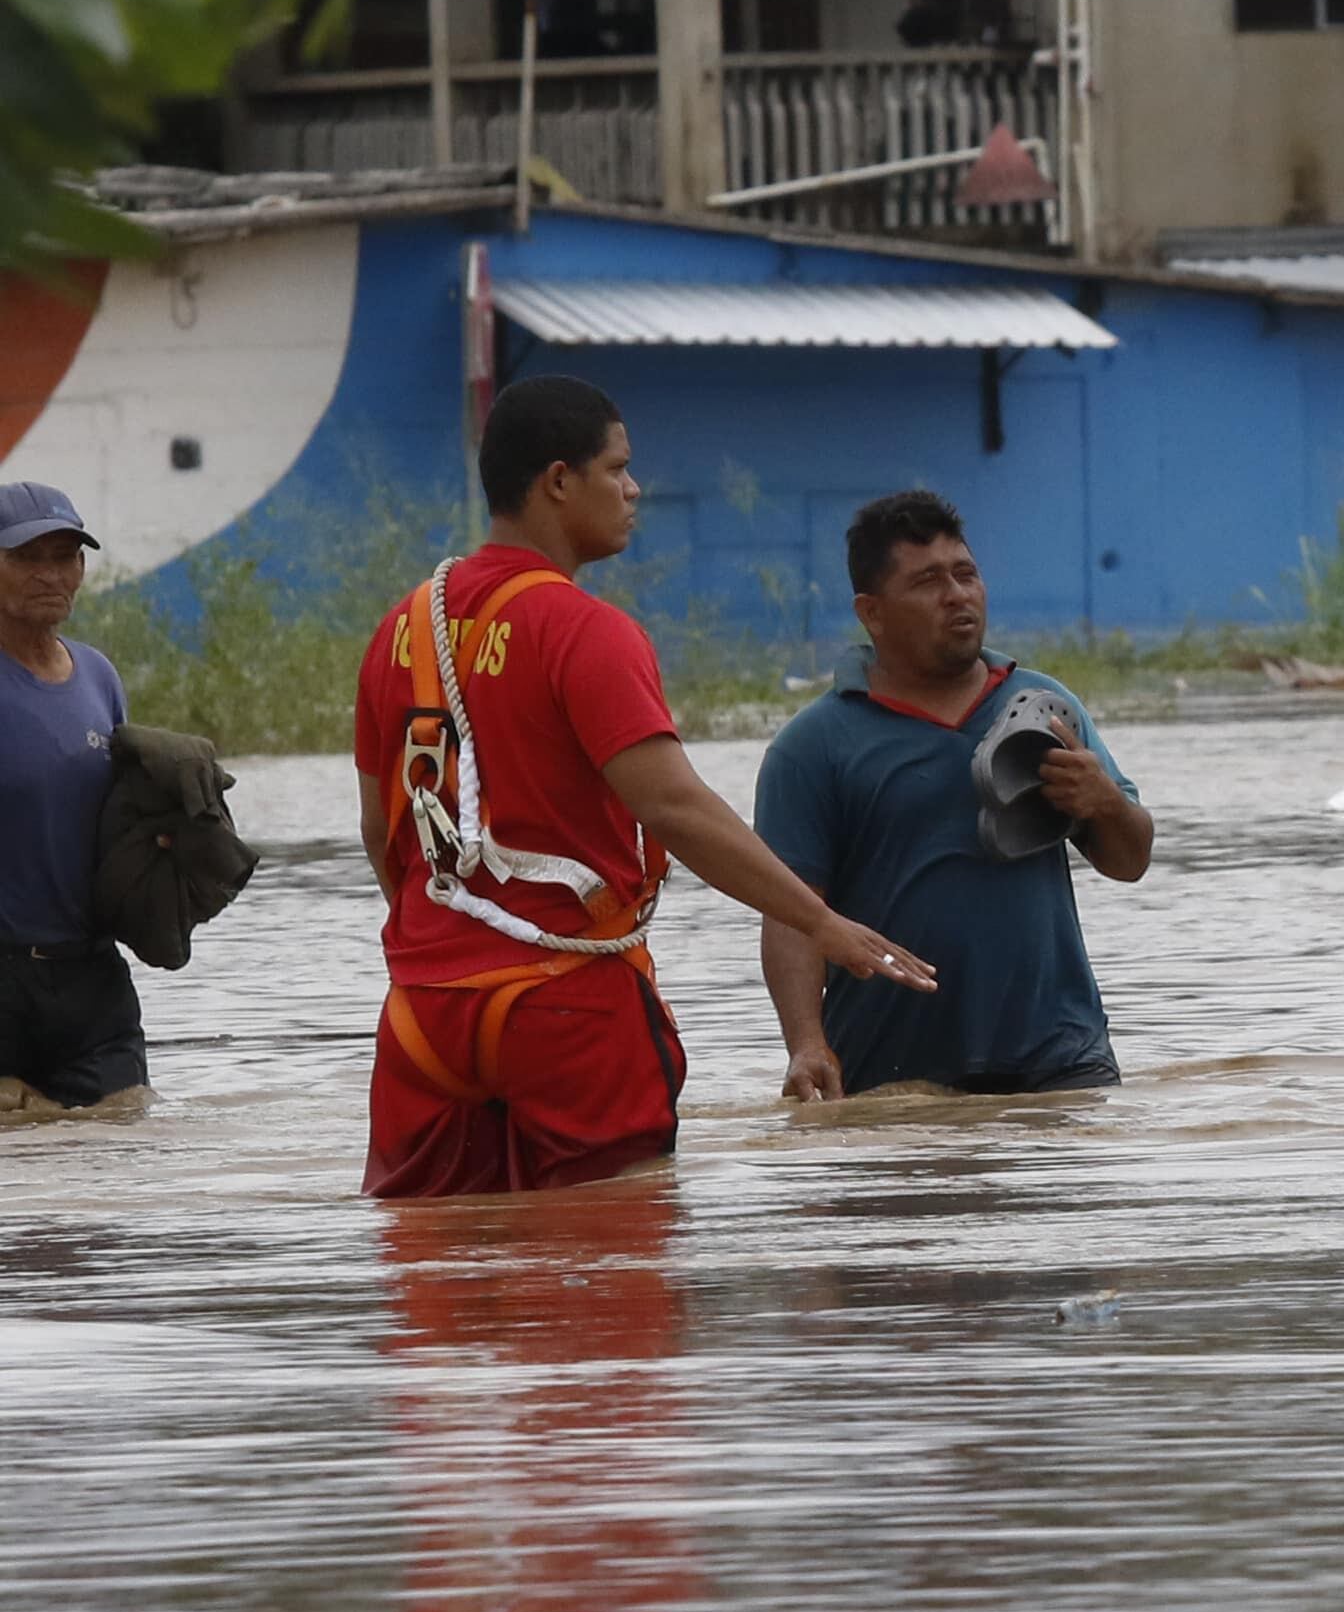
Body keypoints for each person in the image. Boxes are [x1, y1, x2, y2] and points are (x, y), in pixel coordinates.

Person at [350, 374, 933, 1197]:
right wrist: (821, 923)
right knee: (614, 1258)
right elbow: (674, 808)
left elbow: (383, 833)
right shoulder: (586, 631)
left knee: (439, 1264)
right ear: (559, 481)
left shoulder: (400, 631)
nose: (634, 490)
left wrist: (448, 944)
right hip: (569, 1012)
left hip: (423, 1018)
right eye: (618, 469)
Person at [754, 489, 1153, 1099]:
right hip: (893, 1075)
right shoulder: (812, 746)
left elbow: (1130, 862)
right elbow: (790, 916)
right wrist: (806, 1045)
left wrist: (1105, 801)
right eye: (928, 582)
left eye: (966, 574)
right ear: (872, 612)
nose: (957, 595)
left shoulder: (1044, 708)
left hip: (1063, 1061)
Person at [0, 482, 146, 1111]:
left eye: (64, 557)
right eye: (26, 557)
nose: (49, 574)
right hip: (4, 980)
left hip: (93, 979)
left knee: (125, 1131)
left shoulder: (99, 676)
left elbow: (123, 819)